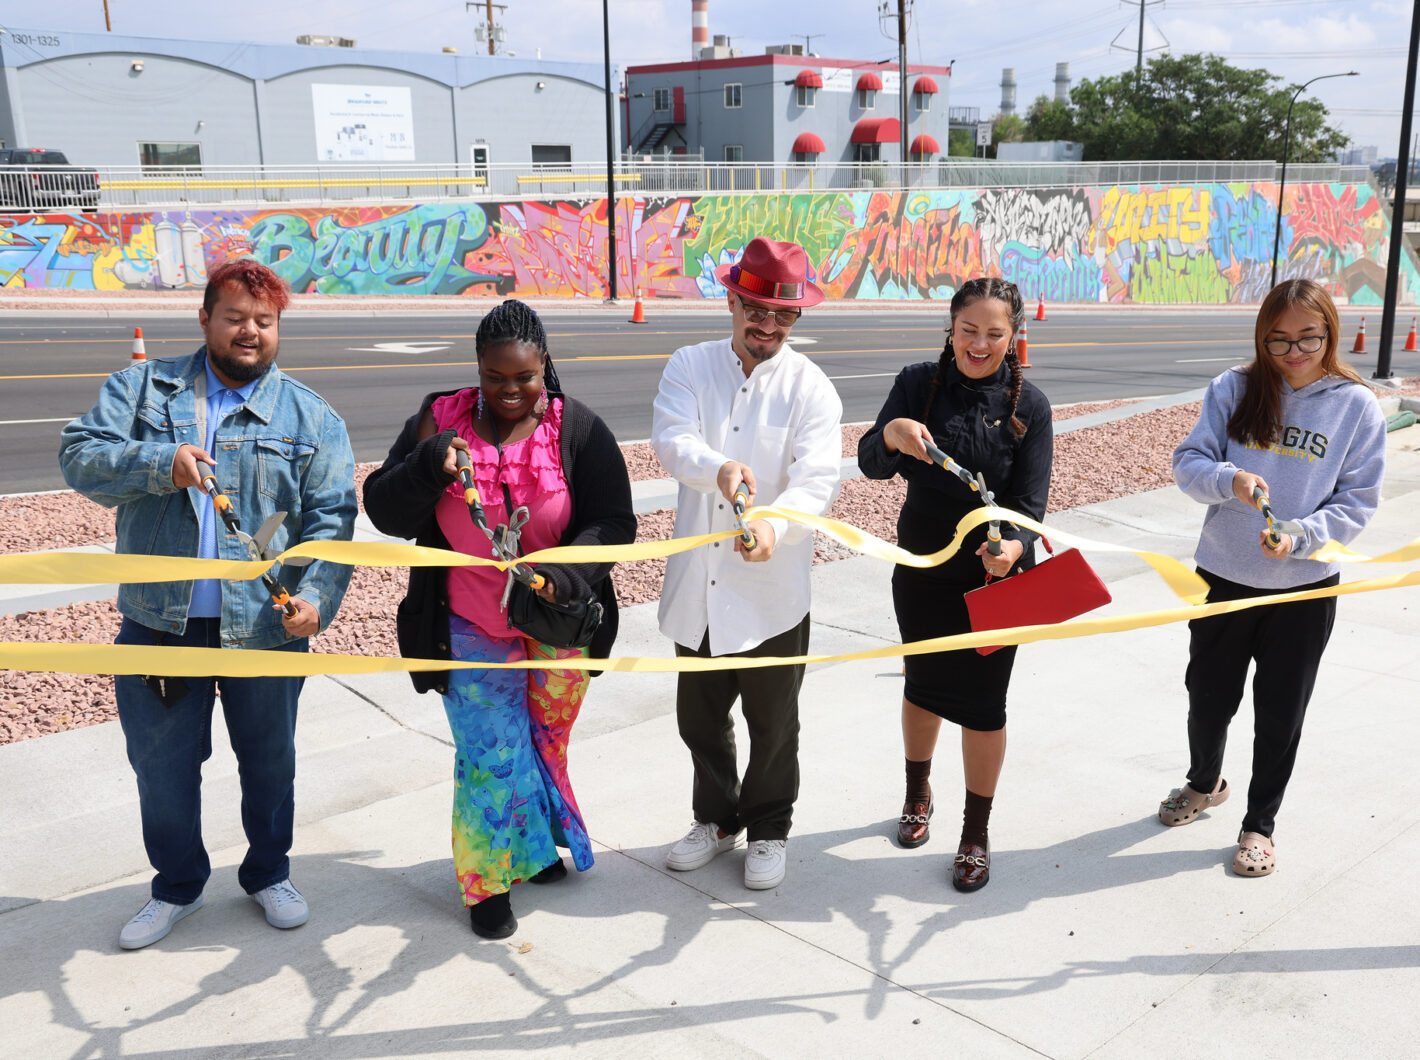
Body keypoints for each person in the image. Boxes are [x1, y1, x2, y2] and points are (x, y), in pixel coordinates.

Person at [58, 259, 357, 949]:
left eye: (264, 321)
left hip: (265, 631)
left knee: (269, 762)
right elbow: (79, 456)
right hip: (158, 624)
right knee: (160, 767)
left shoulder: (312, 418)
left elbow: (333, 520)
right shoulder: (143, 391)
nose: (249, 332)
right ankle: (177, 887)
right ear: (204, 319)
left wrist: (315, 599)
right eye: (234, 318)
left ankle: (269, 873)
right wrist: (159, 464)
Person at [362, 299, 634, 939]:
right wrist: (429, 467)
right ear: (478, 370)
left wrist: (565, 575)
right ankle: (485, 882)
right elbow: (384, 508)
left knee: (543, 745)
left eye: (524, 378)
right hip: (467, 624)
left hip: (557, 626)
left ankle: (534, 848)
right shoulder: (440, 419)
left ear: (545, 368)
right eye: (495, 377)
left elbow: (615, 523)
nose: (509, 390)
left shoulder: (578, 429)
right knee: (490, 755)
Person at [1162, 278, 1385, 876]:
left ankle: (1259, 824)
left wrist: (1301, 536)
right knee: (1207, 701)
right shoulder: (1233, 388)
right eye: (1278, 339)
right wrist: (1229, 479)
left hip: (1304, 589)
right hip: (1225, 575)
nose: (1292, 351)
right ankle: (1204, 781)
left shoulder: (1355, 405)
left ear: (1329, 333)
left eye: (1307, 337)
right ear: (1261, 336)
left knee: (1281, 713)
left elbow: (1359, 500)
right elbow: (1188, 463)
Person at [652, 236, 843, 891]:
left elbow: (817, 479)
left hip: (772, 592)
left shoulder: (810, 388)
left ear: (796, 320)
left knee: (773, 722)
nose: (767, 326)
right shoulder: (689, 365)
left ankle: (768, 828)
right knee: (698, 718)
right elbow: (672, 442)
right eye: (755, 310)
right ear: (731, 302)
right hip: (698, 587)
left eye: (782, 316)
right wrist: (719, 470)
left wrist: (773, 525)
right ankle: (716, 817)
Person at [857, 277, 1052, 893]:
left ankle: (976, 830)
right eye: (969, 330)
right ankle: (917, 793)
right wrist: (892, 434)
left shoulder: (1030, 407)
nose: (980, 343)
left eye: (995, 333)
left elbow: (1030, 503)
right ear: (950, 326)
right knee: (923, 683)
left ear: (1014, 336)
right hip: (922, 568)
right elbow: (869, 460)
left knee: (984, 705)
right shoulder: (918, 383)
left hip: (995, 579)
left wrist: (1015, 548)